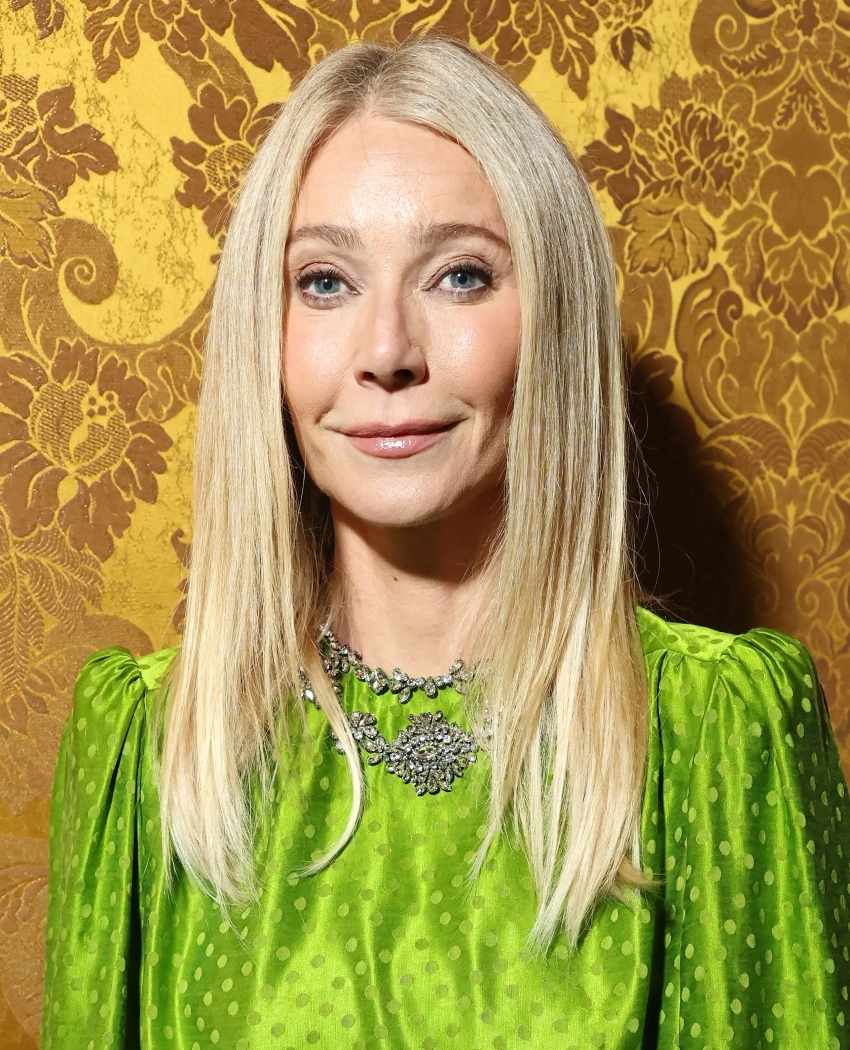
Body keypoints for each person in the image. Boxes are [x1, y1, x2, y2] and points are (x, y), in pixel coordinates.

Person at [41, 36, 850, 1050]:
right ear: (266, 338)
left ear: (554, 320)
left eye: (460, 276)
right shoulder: (150, 747)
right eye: (324, 282)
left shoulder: (716, 735)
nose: (387, 351)